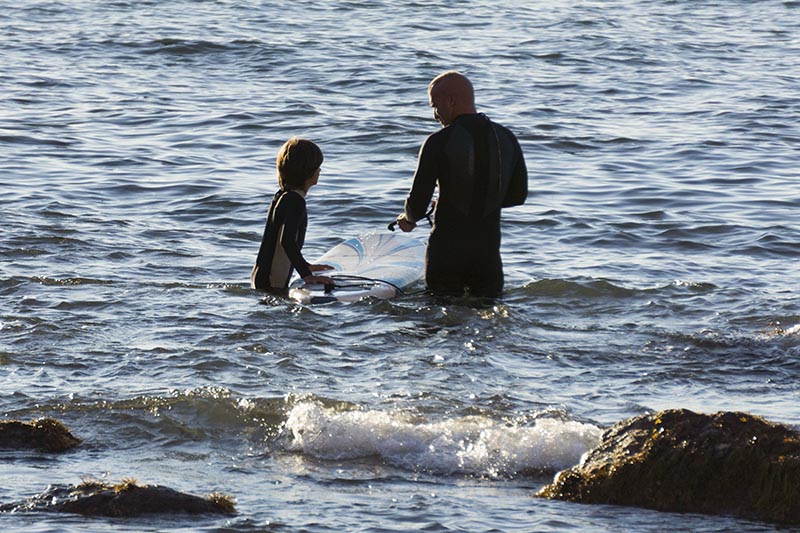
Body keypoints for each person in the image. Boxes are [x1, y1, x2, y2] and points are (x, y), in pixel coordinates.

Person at [394, 71, 528, 298]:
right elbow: (517, 196)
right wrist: (482, 199)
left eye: (435, 106)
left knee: (439, 316)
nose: (435, 115)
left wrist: (408, 220)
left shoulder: (438, 141)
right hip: (488, 253)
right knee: (487, 313)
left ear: (451, 101)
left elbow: (417, 205)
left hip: (447, 253)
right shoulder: (506, 137)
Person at [251, 137, 333, 293]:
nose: (320, 171)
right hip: (271, 282)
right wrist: (306, 275)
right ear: (308, 171)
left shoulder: (282, 196)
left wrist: (305, 265)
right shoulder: (295, 201)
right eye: (318, 167)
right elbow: (286, 241)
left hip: (261, 275)